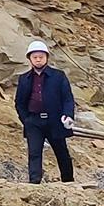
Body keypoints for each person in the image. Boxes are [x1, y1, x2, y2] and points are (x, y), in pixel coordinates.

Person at [14, 40, 77, 183]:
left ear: (47, 57)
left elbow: (68, 98)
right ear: (29, 58)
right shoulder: (24, 79)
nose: (38, 59)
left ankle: (68, 182)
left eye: (41, 56)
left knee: (61, 152)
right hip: (34, 121)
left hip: (55, 120)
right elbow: (19, 102)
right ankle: (34, 183)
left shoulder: (58, 76)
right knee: (34, 153)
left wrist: (68, 115)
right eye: (35, 56)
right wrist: (27, 120)